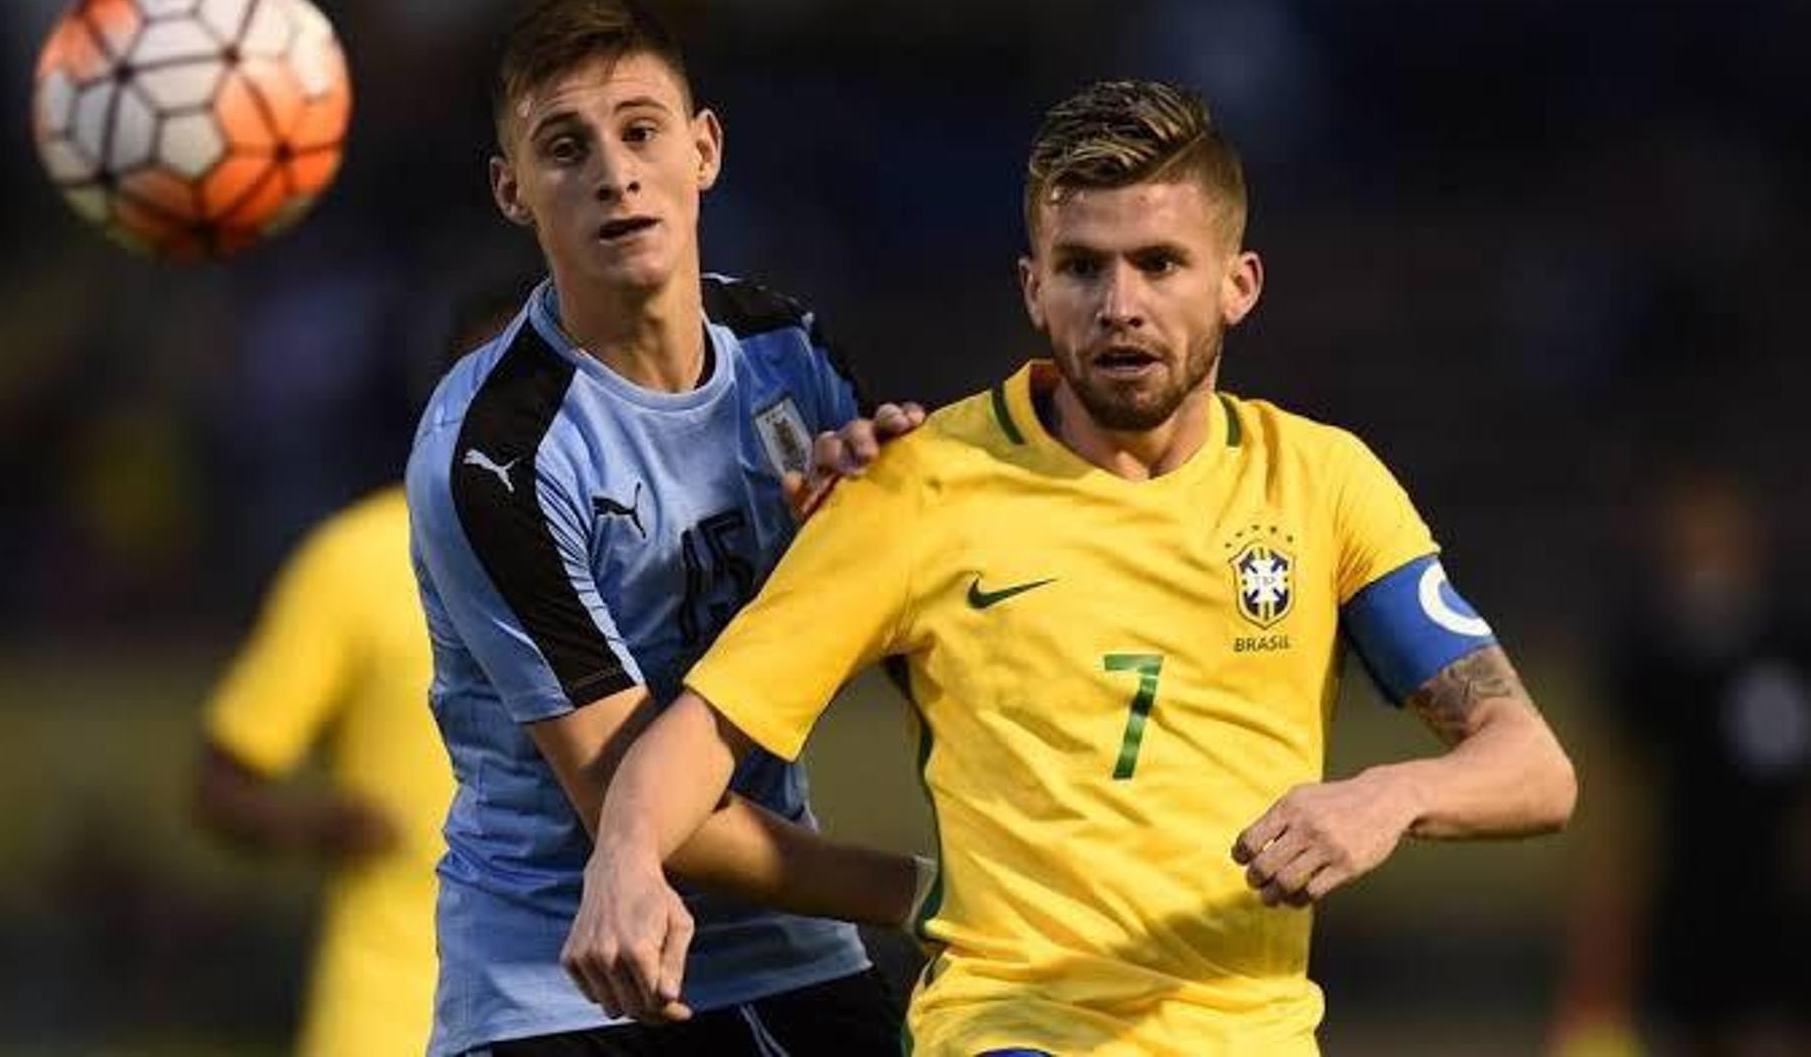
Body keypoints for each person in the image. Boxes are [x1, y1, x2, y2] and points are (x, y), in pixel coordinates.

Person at [564, 78, 1580, 1055]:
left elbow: (1533, 768)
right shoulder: (920, 488)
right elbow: (695, 740)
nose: (1121, 304)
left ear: (1239, 284)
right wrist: (624, 858)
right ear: (1033, 289)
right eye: (1084, 267)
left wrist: (1386, 800)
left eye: (1160, 263)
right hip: (1017, 1027)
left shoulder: (1320, 484)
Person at [405, 0, 929, 1056]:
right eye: (565, 149)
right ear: (513, 192)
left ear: (705, 149)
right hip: (566, 967)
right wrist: (934, 892)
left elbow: (908, 645)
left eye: (640, 131)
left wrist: (907, 530)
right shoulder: (493, 454)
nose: (613, 172)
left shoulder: (787, 351)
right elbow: (636, 811)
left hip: (788, 947)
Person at [192, 282, 523, 1057]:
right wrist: (316, 825)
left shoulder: (634, 559)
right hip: (390, 1020)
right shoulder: (356, 561)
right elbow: (220, 786)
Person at [1554, 466, 1810, 1057]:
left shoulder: (1790, 645)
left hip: (1776, 908)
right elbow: (1620, 797)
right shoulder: (1646, 658)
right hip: (1678, 909)